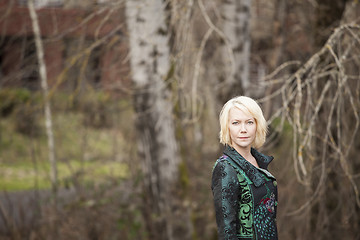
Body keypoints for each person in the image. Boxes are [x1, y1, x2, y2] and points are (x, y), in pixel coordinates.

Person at [211, 96, 278, 240]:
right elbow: (227, 231)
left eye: (249, 122)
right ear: (227, 127)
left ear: (257, 125)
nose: (243, 129)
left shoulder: (259, 161)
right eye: (236, 123)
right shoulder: (225, 168)